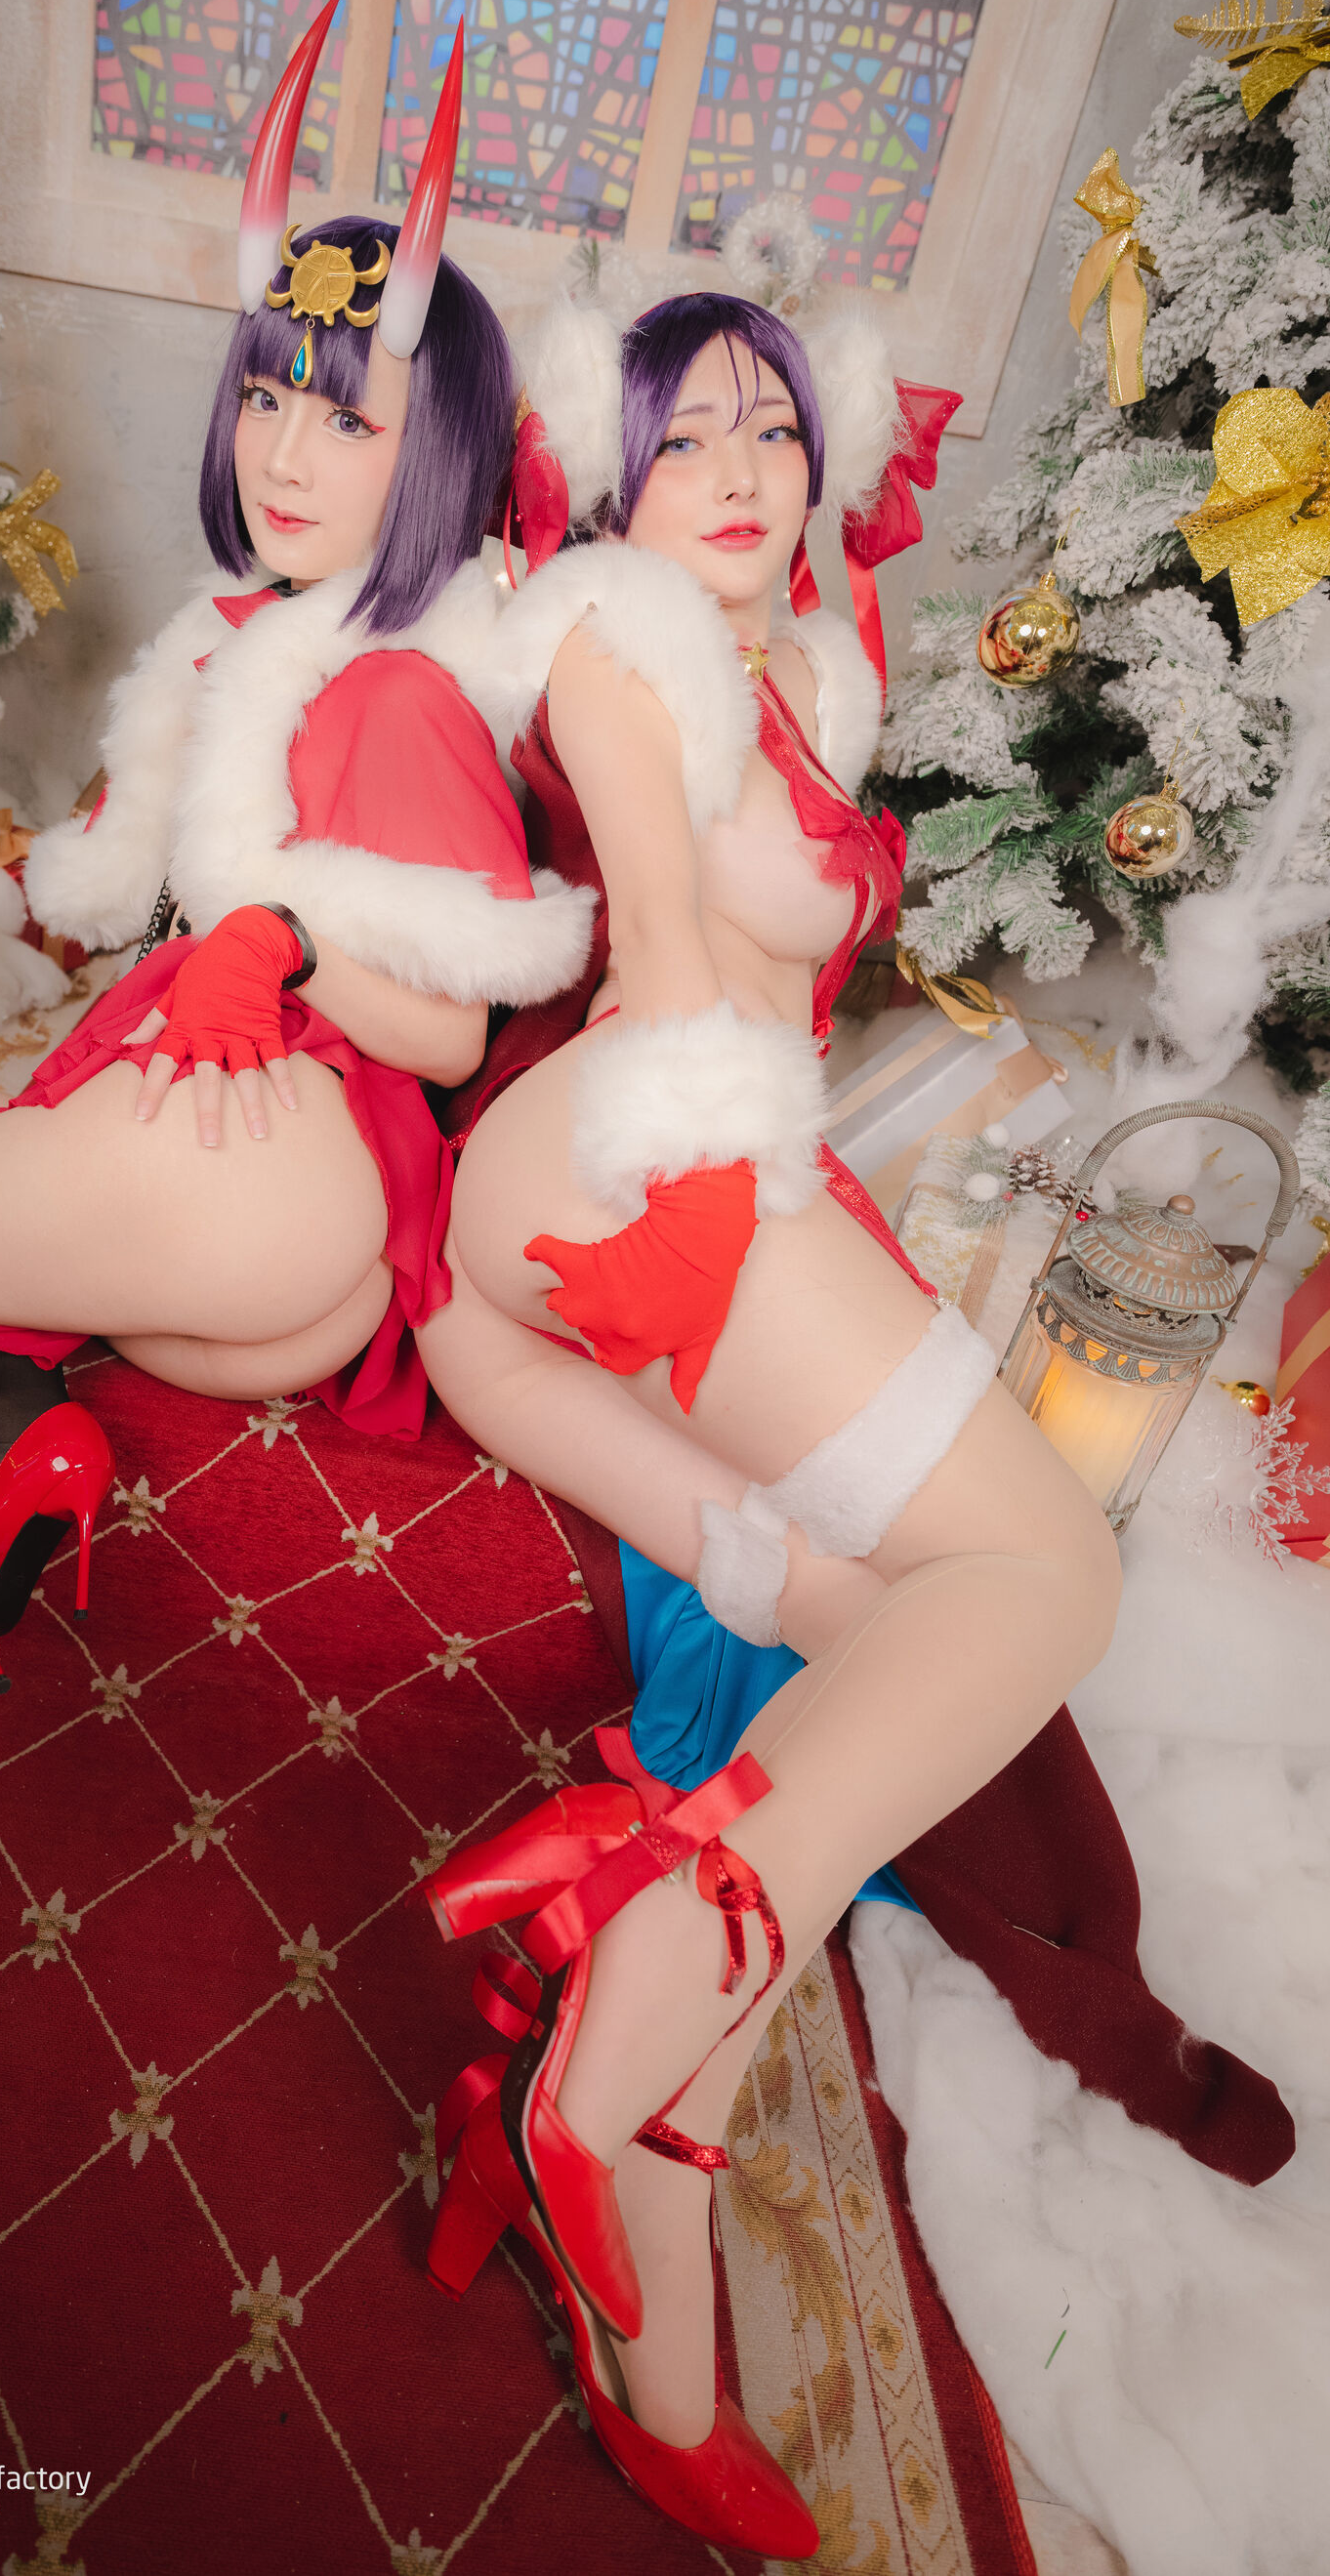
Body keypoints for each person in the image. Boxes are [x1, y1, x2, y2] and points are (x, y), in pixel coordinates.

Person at [0, 5, 594, 1957]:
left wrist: (278, 938)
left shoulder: (402, 682)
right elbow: (155, 895)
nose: (283, 451)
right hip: (272, 1244)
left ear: (434, 450)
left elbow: (451, 1022)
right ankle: (23, 1461)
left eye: (346, 417)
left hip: (273, 1171)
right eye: (267, 395)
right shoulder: (257, 645)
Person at [411, 291, 1122, 2556]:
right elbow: (658, 944)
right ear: (613, 484)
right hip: (645, 1140)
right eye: (684, 436)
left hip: (715, 1151)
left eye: (771, 430)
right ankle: (620, 2029)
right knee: (1047, 1570)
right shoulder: (621, 639)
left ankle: (635, 2189)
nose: (736, 468)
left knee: (888, 1642)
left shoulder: (811, 656)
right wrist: (718, 1175)